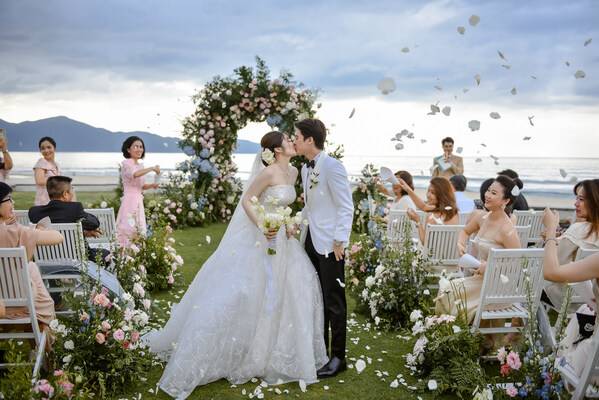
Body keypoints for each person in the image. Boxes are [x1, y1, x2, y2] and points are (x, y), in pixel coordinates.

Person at [145, 131, 328, 398]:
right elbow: (247, 201)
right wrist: (263, 224)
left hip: (285, 243)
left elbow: (287, 204)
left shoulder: (294, 173)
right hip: (262, 239)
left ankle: (269, 351)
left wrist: (289, 225)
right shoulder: (268, 174)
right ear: (276, 150)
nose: (292, 142)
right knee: (249, 291)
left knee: (290, 292)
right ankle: (238, 349)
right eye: (288, 140)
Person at [295, 118, 354, 379]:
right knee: (316, 297)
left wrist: (340, 240)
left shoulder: (332, 166)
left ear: (310, 139)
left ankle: (338, 357)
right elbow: (310, 207)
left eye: (296, 136)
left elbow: (346, 206)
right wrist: (293, 222)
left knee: (334, 302)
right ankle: (321, 352)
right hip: (311, 241)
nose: (294, 140)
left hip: (332, 245)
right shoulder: (307, 169)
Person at [435, 175, 521, 323]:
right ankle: (446, 329)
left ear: (506, 201)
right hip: (480, 279)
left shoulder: (507, 229)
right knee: (448, 288)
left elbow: (517, 261)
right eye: (488, 190)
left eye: (494, 193)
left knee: (450, 290)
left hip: (496, 287)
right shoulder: (483, 218)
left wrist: (489, 266)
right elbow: (465, 231)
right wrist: (461, 244)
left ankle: (452, 330)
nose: (487, 195)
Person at [542, 207, 599, 389]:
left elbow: (551, 272)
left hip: (596, 350)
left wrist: (551, 229)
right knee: (583, 310)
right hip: (586, 308)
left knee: (555, 372)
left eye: (581, 198)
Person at [0, 181, 63, 332]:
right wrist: (34, 231)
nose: (13, 202)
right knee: (31, 269)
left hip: (3, 302)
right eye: (9, 199)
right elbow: (58, 237)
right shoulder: (17, 232)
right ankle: (44, 337)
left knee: (32, 268)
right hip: (21, 305)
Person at [28, 176, 110, 264]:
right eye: (72, 189)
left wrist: (83, 232)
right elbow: (94, 223)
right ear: (65, 194)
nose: (73, 192)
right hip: (77, 259)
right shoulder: (75, 208)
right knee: (107, 255)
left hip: (46, 261)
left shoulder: (34, 212)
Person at [544, 179, 599, 307]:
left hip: (562, 294)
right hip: (588, 299)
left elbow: (551, 266)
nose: (576, 204)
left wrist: (550, 231)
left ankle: (521, 322)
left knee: (526, 280)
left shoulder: (580, 229)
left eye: (581, 199)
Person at [115, 136, 159, 247]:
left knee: (139, 227)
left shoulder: (139, 165)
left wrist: (151, 185)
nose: (139, 149)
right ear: (128, 149)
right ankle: (125, 252)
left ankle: (136, 253)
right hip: (130, 200)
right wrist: (152, 168)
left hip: (138, 200)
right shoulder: (127, 163)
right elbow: (135, 175)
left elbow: (141, 186)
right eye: (136, 146)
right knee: (129, 226)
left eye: (141, 147)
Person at [396, 176, 459, 243]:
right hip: (450, 252)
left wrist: (418, 221)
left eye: (432, 193)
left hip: (433, 252)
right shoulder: (453, 212)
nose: (428, 195)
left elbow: (425, 242)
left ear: (441, 195)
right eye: (428, 191)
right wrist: (408, 190)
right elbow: (424, 207)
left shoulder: (433, 216)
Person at [34, 136, 61, 206]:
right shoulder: (41, 162)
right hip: (43, 202)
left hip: (55, 201)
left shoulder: (57, 165)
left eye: (49, 147)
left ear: (54, 148)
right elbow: (39, 181)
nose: (46, 150)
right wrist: (61, 182)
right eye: (43, 148)